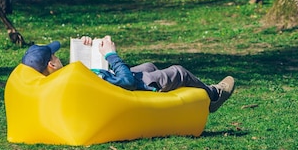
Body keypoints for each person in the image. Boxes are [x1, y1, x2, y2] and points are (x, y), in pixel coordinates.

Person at [21, 36, 235, 113]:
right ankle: (213, 96)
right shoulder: (67, 78)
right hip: (123, 88)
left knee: (149, 66)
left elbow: (88, 78)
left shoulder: (57, 80)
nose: (59, 57)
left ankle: (209, 94)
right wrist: (111, 54)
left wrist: (89, 48)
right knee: (178, 72)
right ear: (51, 64)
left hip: (108, 83)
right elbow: (127, 82)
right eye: (56, 55)